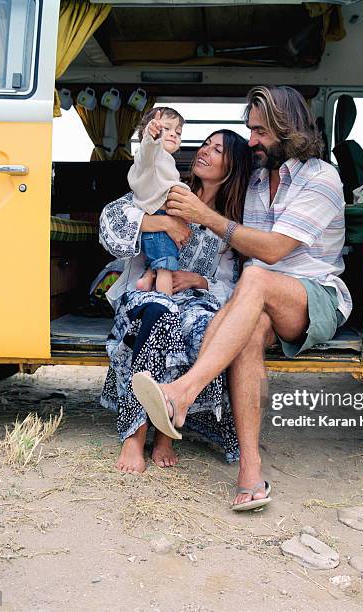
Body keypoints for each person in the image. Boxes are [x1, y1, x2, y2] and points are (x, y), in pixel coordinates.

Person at [131, 86, 352, 510]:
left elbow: (271, 251)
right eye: (250, 129)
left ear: (289, 130)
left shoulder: (321, 178)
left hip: (316, 294)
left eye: (260, 131)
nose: (251, 140)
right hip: (262, 297)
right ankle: (250, 471)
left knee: (255, 278)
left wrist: (205, 217)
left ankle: (182, 393)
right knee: (249, 330)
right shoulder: (253, 181)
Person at [99, 129, 252, 473]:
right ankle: (135, 433)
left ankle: (169, 429)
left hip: (198, 299)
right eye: (205, 145)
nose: (204, 152)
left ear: (232, 166)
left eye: (217, 150)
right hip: (149, 292)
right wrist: (163, 221)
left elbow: (230, 283)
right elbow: (110, 224)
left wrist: (200, 280)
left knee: (204, 327)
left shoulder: (229, 221)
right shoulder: (166, 189)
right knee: (160, 313)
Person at [128, 107, 189, 295]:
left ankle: (146, 281)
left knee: (157, 262)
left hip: (159, 221)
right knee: (166, 269)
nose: (173, 134)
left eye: (177, 132)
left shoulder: (164, 159)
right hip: (160, 220)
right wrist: (151, 135)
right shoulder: (150, 155)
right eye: (167, 128)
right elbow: (148, 148)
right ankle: (165, 302)